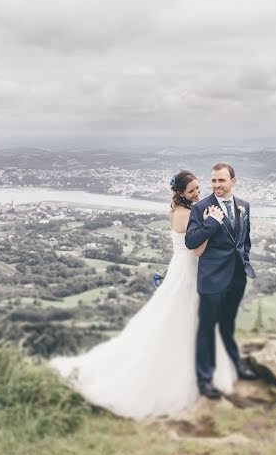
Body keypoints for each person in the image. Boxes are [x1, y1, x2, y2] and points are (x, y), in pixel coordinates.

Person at [49, 170, 237, 420]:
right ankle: (184, 374)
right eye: (192, 190)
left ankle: (199, 369)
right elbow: (198, 250)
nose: (197, 193)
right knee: (187, 316)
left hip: (180, 269)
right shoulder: (188, 213)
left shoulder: (179, 210)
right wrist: (214, 222)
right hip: (189, 272)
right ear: (180, 192)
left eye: (197, 188)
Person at [185, 163, 258, 399]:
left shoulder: (244, 207)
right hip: (212, 278)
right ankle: (205, 380)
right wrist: (212, 223)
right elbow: (191, 241)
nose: (216, 185)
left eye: (221, 181)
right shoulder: (202, 208)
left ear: (233, 181)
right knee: (207, 329)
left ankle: (237, 366)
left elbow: (244, 240)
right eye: (213, 181)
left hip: (237, 278)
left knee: (228, 326)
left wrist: (244, 260)